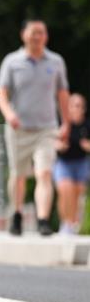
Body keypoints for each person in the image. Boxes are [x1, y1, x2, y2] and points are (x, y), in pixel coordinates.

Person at [0, 20, 70, 236]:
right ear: (23, 35)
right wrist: (9, 114)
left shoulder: (56, 61)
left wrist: (66, 123)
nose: (37, 36)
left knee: (44, 173)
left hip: (47, 128)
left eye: (41, 33)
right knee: (18, 174)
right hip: (18, 129)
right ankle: (17, 213)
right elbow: (1, 92)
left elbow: (63, 94)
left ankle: (43, 219)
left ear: (46, 37)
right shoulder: (12, 61)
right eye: (33, 32)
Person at [54, 92, 90, 235]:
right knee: (65, 191)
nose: (76, 109)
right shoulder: (63, 124)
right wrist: (58, 145)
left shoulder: (87, 125)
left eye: (79, 106)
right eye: (73, 106)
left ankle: (74, 222)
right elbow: (52, 140)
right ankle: (65, 222)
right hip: (64, 162)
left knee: (78, 193)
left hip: (81, 162)